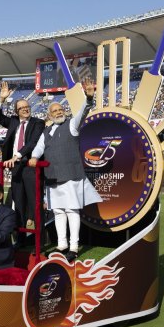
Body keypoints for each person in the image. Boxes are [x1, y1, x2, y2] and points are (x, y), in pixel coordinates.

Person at [29, 78, 102, 261]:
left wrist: (89, 98)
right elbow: (39, 147)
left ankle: (74, 247)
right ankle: (62, 245)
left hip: (71, 176)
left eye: (61, 109)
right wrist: (34, 157)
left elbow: (82, 113)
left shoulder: (71, 124)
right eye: (55, 111)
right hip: (52, 177)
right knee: (58, 211)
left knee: (71, 211)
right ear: (50, 114)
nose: (59, 112)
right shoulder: (46, 132)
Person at [0, 82, 45, 231]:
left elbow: (32, 143)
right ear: (17, 111)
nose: (25, 109)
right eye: (21, 108)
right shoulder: (13, 122)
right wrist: (2, 99)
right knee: (19, 203)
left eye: (26, 106)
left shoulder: (38, 123)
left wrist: (17, 155)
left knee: (35, 203)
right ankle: (21, 239)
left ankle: (39, 241)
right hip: (15, 168)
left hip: (30, 167)